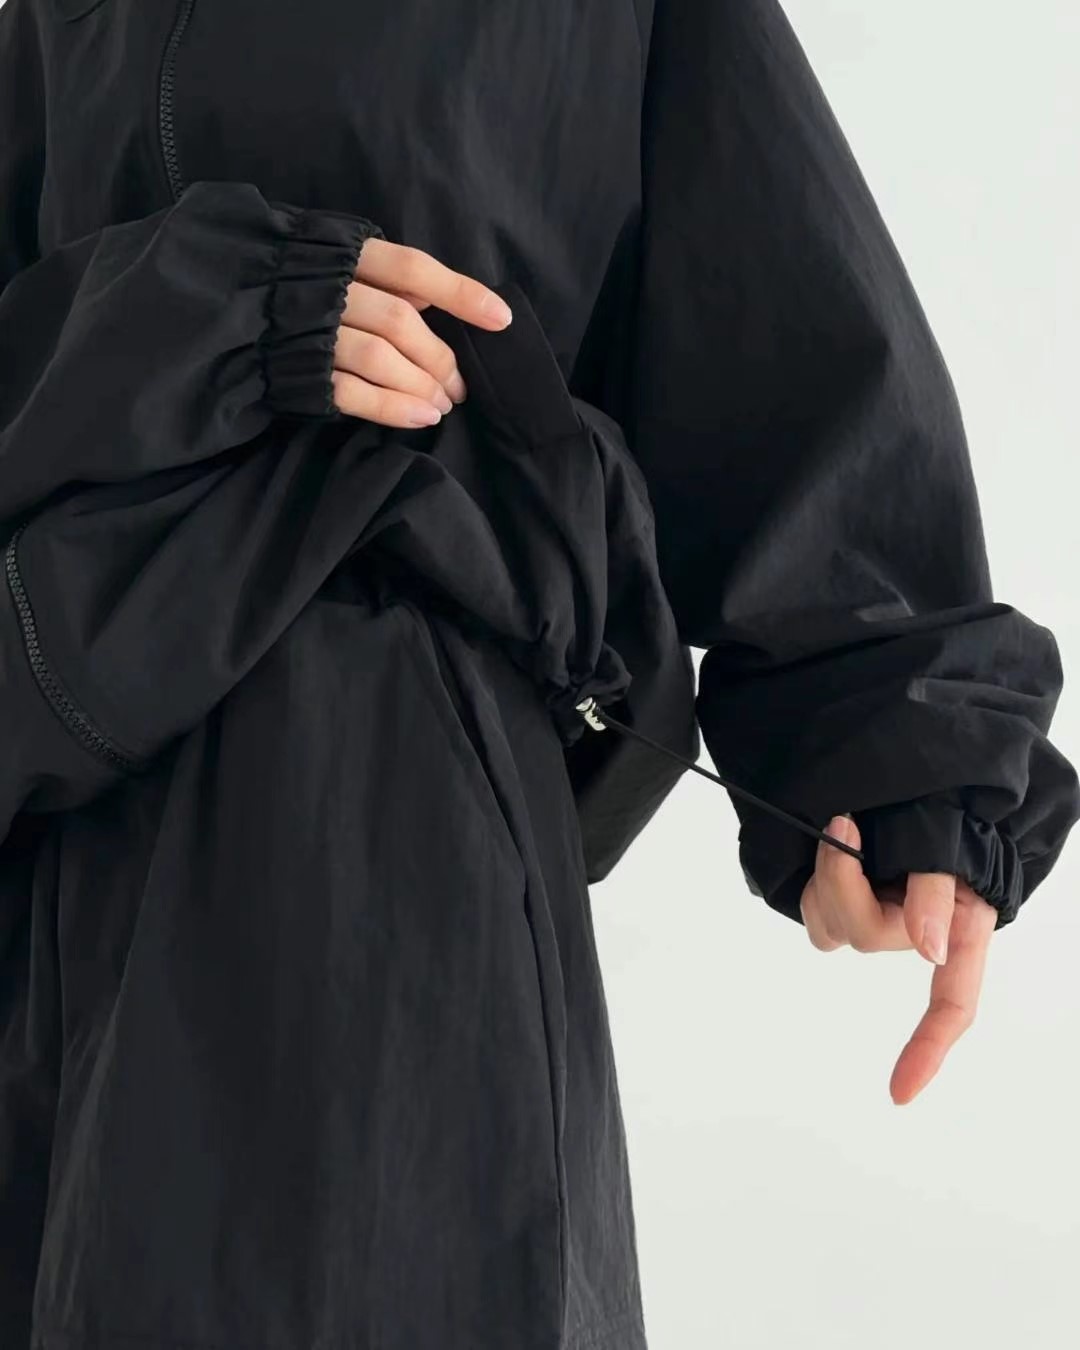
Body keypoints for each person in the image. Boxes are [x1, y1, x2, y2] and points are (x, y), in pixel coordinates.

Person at [1, 2, 1076, 1349]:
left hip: (368, 825)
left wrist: (906, 768)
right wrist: (203, 314)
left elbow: (778, 307)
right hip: (55, 823)